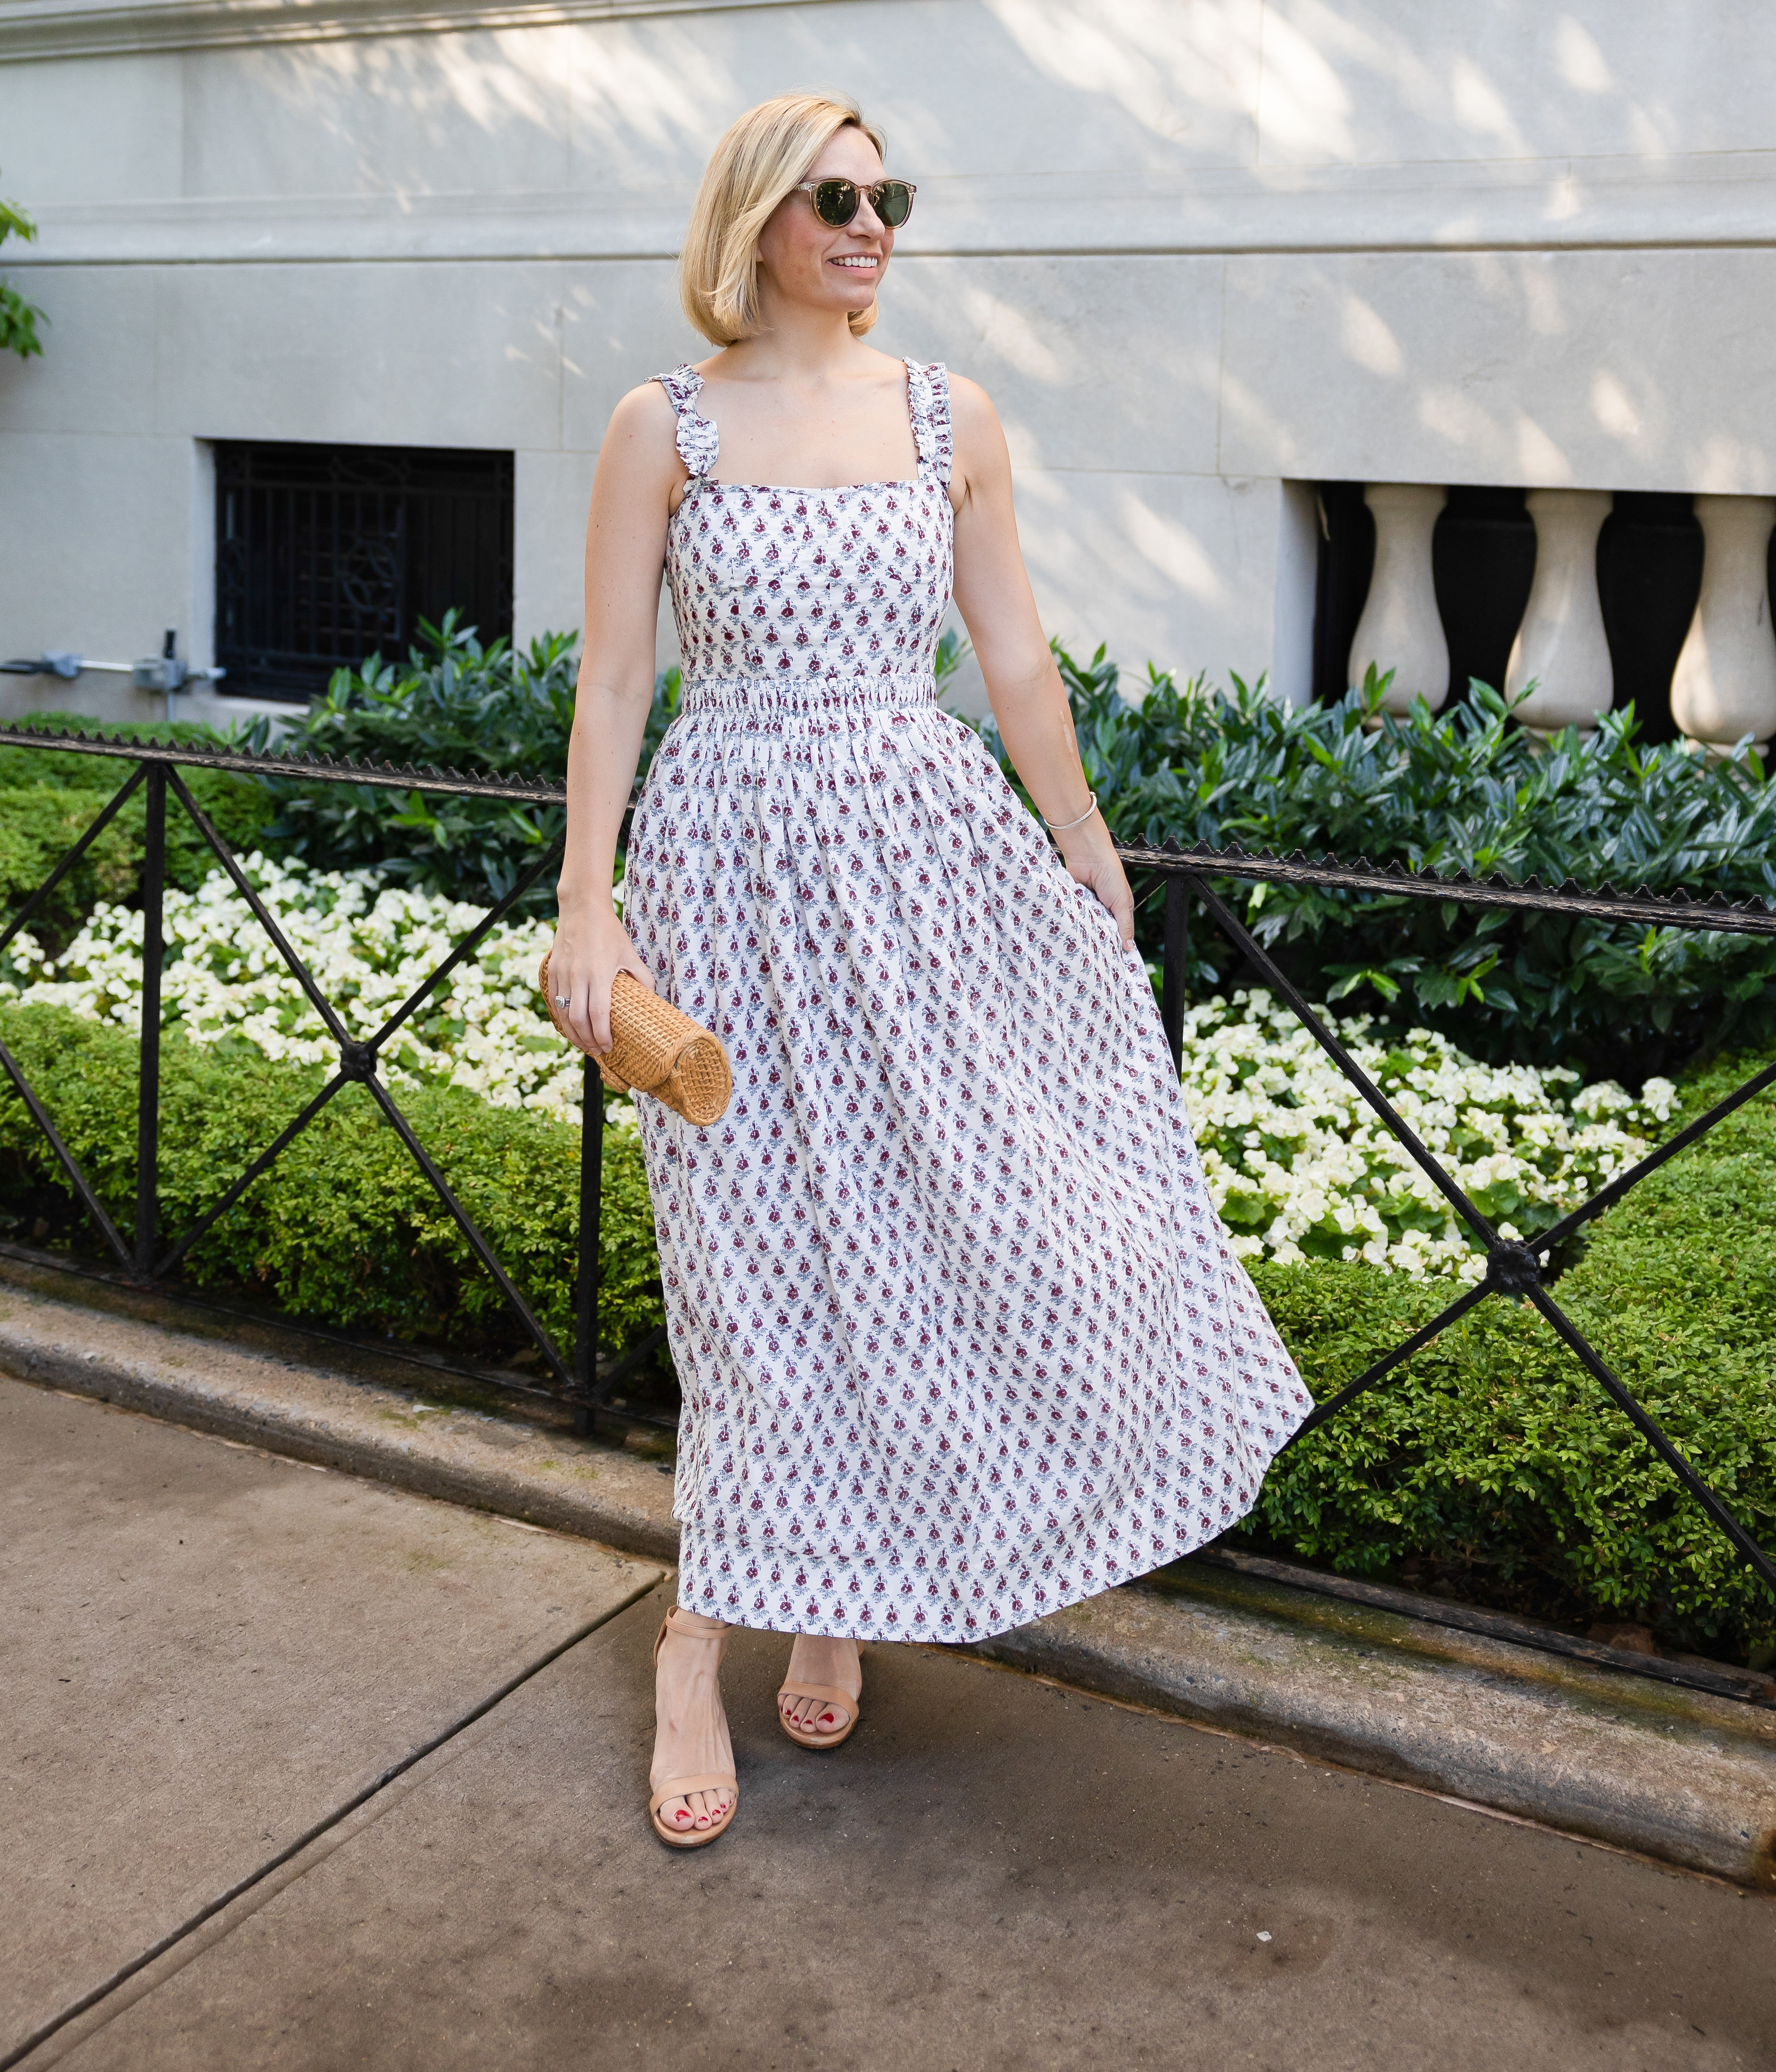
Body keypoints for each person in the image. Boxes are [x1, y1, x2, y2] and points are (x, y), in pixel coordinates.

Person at [547, 92, 1310, 1848]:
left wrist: (1087, 840)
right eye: (839, 194)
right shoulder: (659, 426)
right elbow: (608, 684)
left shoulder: (948, 414)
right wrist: (588, 904)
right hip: (728, 872)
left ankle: (840, 1589)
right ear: (757, 219)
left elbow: (1017, 652)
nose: (875, 219)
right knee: (749, 1278)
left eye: (891, 189)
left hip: (922, 868)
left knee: (934, 1231)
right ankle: (694, 1640)